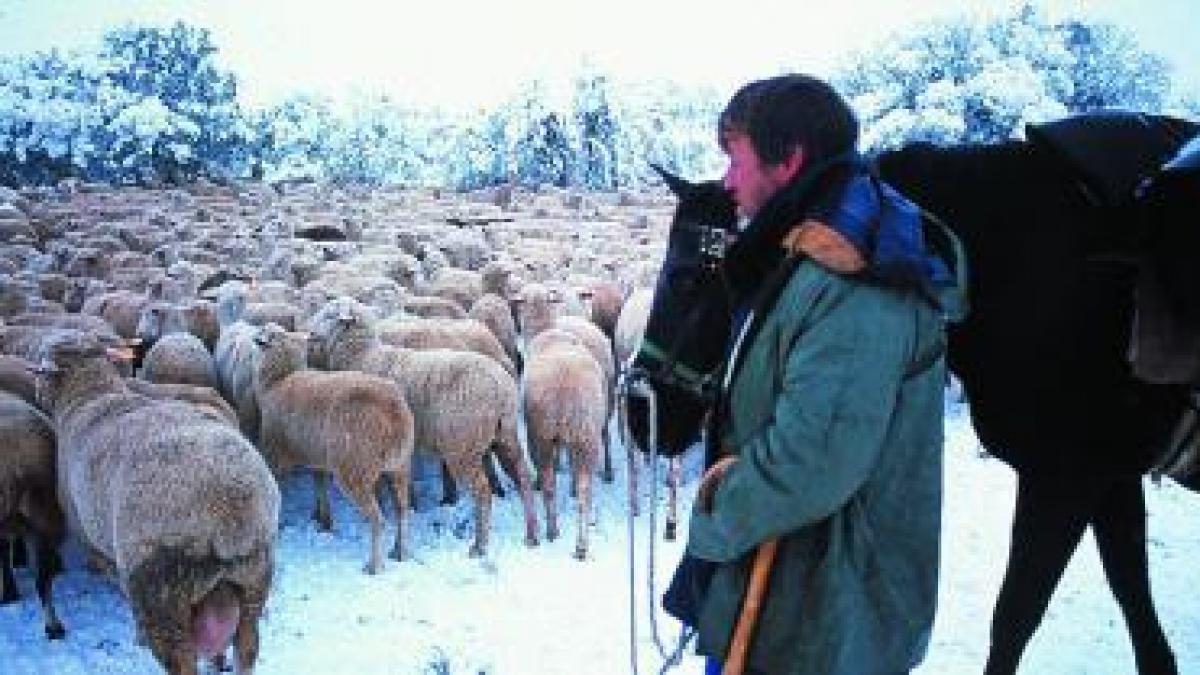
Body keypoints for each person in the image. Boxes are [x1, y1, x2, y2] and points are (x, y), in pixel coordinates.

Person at [665, 74, 959, 674]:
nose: (727, 183)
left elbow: (811, 462)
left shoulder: (858, 280)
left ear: (790, 158)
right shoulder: (806, 255)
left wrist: (712, 519)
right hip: (778, 593)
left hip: (821, 621)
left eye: (736, 162)